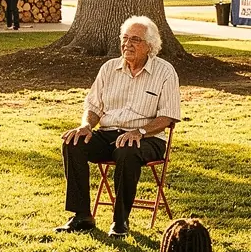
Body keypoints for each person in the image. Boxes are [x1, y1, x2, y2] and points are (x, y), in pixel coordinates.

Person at [59, 15, 181, 237]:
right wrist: (86, 126)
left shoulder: (165, 72)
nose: (127, 44)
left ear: (150, 46)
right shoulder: (109, 68)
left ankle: (120, 220)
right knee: (73, 142)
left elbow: (168, 116)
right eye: (125, 38)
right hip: (108, 134)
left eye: (135, 39)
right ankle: (82, 216)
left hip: (148, 138)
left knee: (127, 151)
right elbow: (93, 106)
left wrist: (140, 132)